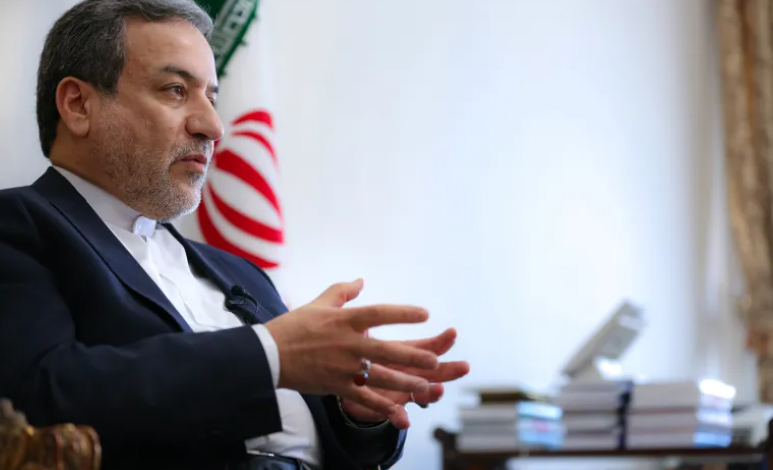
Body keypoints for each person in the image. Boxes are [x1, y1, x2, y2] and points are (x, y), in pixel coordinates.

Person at [0, 0, 470, 469]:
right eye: (175, 90)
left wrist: (358, 413)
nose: (213, 127)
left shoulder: (241, 273)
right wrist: (268, 355)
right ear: (78, 105)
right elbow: (36, 400)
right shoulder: (19, 226)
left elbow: (334, 447)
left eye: (212, 97)